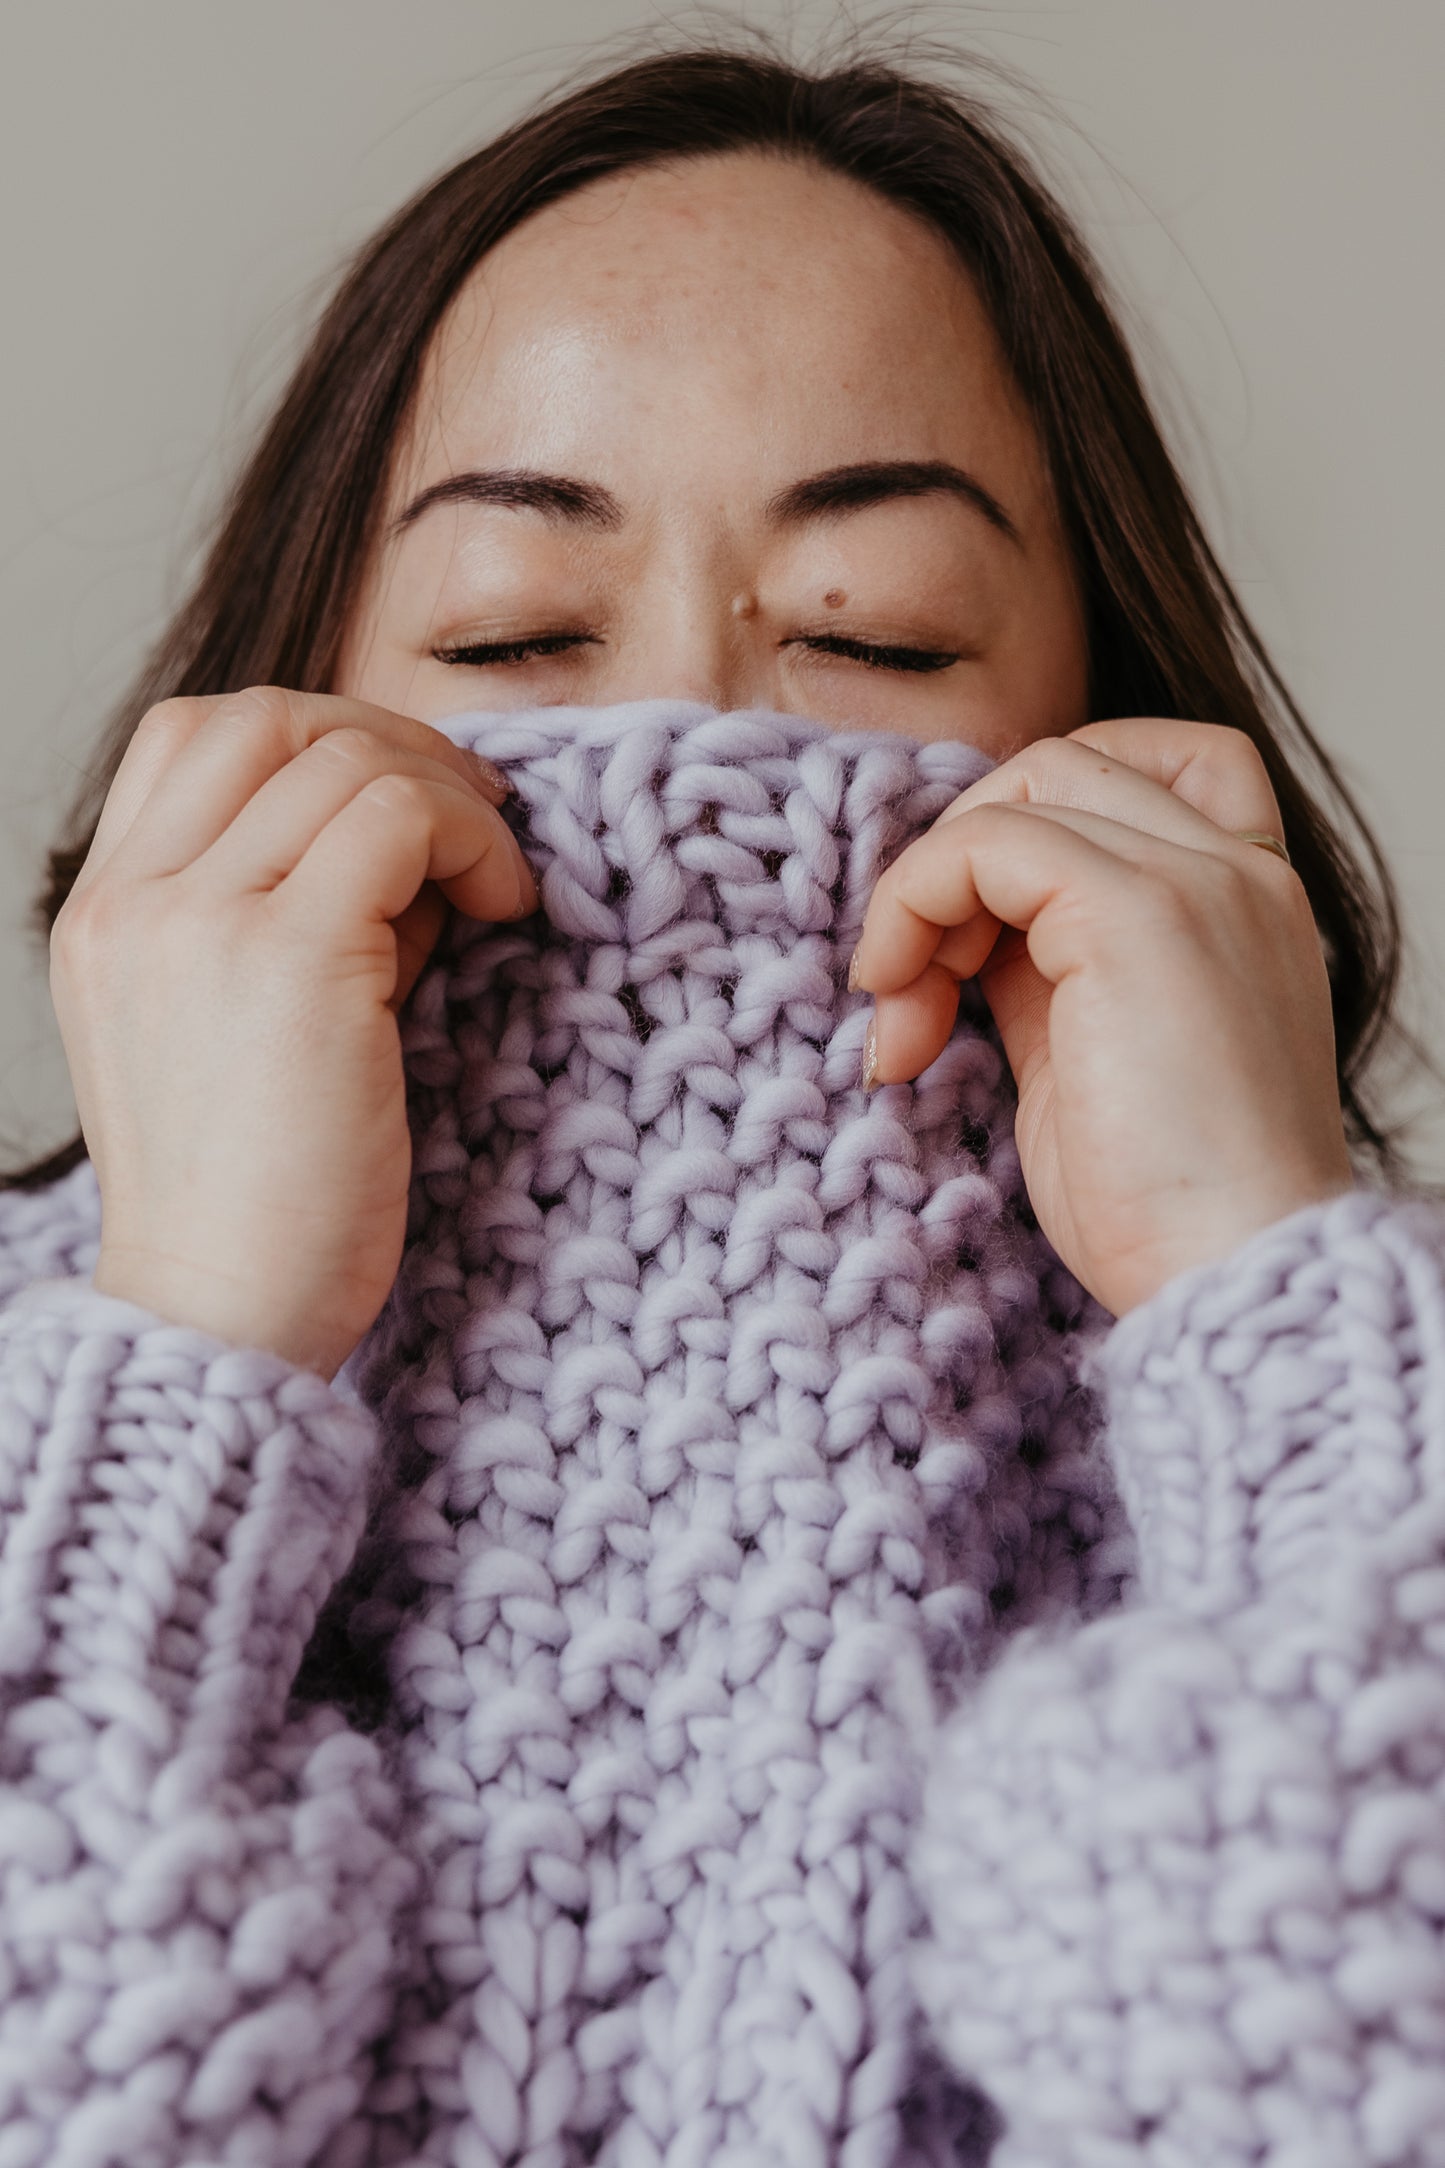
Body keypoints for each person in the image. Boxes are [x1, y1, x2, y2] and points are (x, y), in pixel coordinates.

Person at [3, 36, 1444, 2168]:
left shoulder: (1367, 1412)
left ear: (1116, 720)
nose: (692, 716)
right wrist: (193, 1339)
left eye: (876, 636)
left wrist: (1269, 1299)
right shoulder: (61, 1386)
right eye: (514, 632)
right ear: (285, 704)